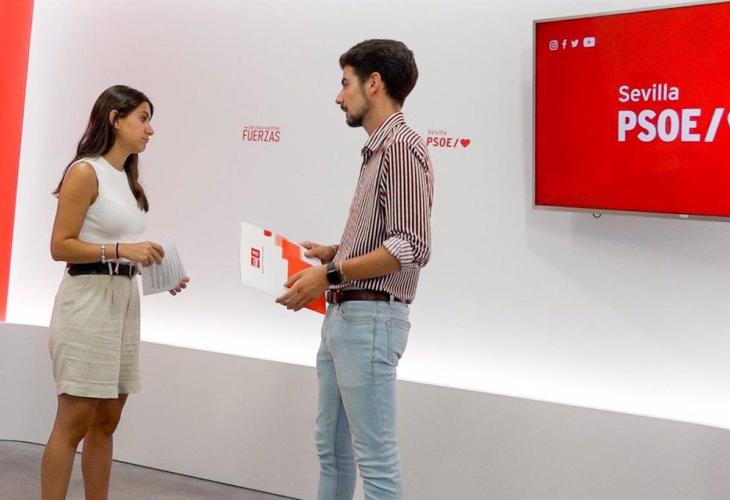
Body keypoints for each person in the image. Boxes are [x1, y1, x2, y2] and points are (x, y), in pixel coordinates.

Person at [276, 39, 434, 500]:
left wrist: (330, 274)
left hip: (370, 320)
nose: (338, 95)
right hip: (348, 318)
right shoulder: (379, 150)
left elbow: (410, 245)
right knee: (332, 453)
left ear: (374, 83)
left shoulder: (401, 148)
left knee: (375, 461)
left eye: (345, 83)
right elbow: (387, 239)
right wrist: (335, 252)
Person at [41, 85, 189, 500]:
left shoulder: (126, 179)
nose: (150, 129)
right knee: (73, 421)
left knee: (107, 420)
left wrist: (157, 268)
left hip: (123, 303)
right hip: (87, 303)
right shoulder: (85, 172)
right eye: (143, 118)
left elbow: (118, 245)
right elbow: (60, 246)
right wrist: (122, 250)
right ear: (115, 119)